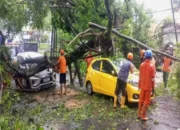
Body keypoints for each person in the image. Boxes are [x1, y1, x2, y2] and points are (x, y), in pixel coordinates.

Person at [138, 50, 156, 121]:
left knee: (141, 100)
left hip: (142, 86)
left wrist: (139, 86)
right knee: (146, 102)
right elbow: (153, 79)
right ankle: (143, 116)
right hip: (148, 87)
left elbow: (140, 77)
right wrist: (153, 87)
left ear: (145, 56)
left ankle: (139, 114)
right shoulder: (152, 66)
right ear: (151, 57)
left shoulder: (141, 65)